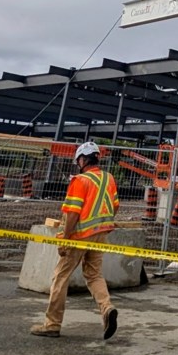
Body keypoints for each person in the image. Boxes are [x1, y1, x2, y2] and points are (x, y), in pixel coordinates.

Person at [31, 141, 120, 340]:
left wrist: (65, 238)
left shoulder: (80, 181)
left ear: (83, 159)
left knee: (60, 277)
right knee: (94, 276)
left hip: (79, 237)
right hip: (100, 235)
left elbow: (72, 214)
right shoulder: (109, 178)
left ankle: (52, 324)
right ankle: (107, 308)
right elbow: (115, 206)